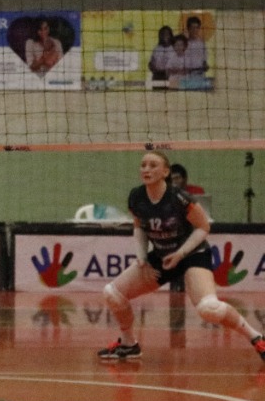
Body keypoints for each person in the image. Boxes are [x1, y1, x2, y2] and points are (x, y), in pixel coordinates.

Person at [98, 151, 265, 363]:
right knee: (112, 293)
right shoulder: (136, 196)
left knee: (208, 308)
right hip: (162, 256)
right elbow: (139, 227)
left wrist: (181, 253)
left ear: (165, 172)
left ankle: (257, 337)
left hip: (192, 254)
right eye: (143, 165)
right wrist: (141, 258)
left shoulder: (179, 198)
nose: (146, 169)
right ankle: (128, 344)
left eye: (153, 165)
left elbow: (203, 227)